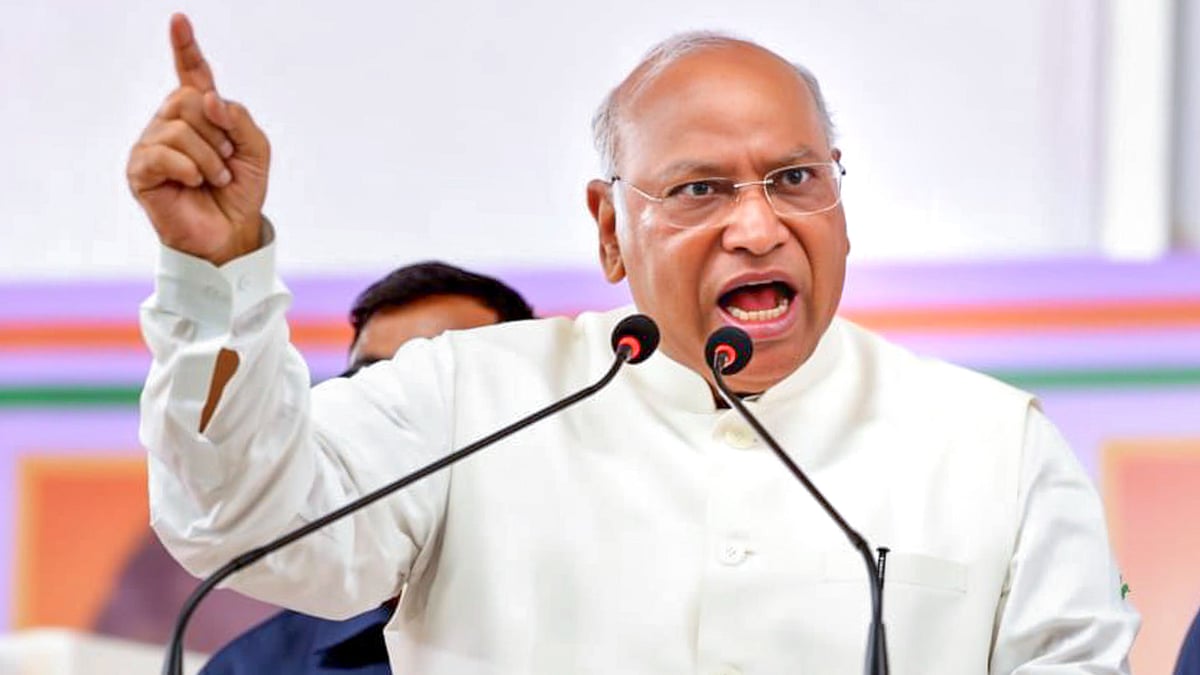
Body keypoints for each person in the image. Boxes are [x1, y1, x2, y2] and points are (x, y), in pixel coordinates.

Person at [128, 13, 1139, 673]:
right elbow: (243, 522)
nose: (758, 226)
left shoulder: (993, 444)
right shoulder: (464, 401)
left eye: (795, 179)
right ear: (610, 230)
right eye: (701, 189)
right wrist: (216, 276)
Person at [198, 261, 534, 674]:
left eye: (440, 382)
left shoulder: (590, 618)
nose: (395, 405)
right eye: (369, 377)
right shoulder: (254, 668)